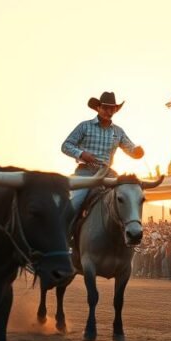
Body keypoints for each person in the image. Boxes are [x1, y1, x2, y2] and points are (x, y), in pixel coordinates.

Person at [61, 91, 145, 236]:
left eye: (112, 108)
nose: (109, 111)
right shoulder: (85, 126)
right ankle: (64, 238)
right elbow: (66, 145)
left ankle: (131, 234)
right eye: (106, 108)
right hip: (85, 173)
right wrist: (82, 154)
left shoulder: (118, 131)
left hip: (108, 173)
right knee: (76, 203)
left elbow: (130, 148)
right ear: (98, 108)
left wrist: (137, 152)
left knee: (128, 195)